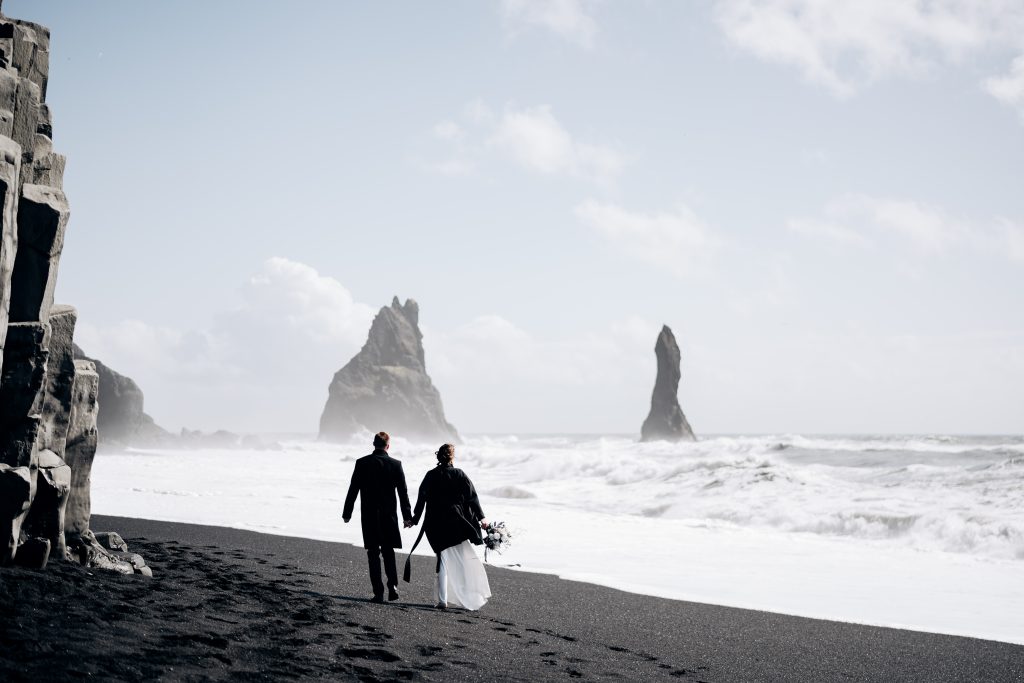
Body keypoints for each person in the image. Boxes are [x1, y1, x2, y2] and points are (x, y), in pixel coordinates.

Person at [409, 443, 491, 610]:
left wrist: (414, 519)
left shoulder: (430, 475)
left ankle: (442, 599)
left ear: (438, 456)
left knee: (442, 558)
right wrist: (482, 518)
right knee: (462, 560)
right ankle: (466, 595)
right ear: (452, 456)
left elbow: (421, 498)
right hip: (455, 520)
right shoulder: (459, 474)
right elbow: (472, 498)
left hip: (434, 521)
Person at [343, 431, 413, 603]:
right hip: (389, 516)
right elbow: (403, 493)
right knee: (388, 552)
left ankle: (378, 593)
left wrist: (347, 513)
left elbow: (353, 489)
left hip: (369, 516)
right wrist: (407, 517)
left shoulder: (362, 463)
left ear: (374, 444)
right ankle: (393, 586)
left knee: (373, 553)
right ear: (388, 445)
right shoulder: (396, 465)